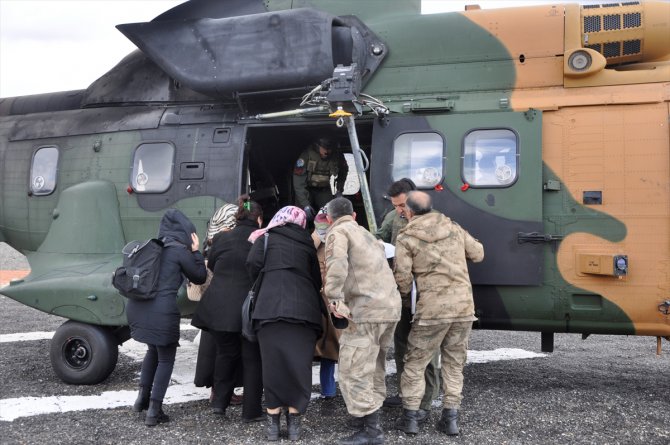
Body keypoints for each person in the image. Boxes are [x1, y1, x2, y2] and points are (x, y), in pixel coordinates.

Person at [393, 191, 484, 436]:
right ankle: (450, 419)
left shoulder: (406, 237)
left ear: (410, 211)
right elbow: (478, 253)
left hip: (432, 310)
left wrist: (404, 298)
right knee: (454, 365)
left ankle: (410, 418)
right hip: (464, 308)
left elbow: (402, 278)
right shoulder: (453, 227)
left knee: (415, 363)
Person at [323, 197, 401, 445]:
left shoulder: (338, 233)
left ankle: (371, 430)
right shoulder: (366, 234)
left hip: (366, 311)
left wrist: (334, 300)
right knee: (375, 364)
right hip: (389, 308)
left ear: (328, 218)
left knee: (353, 369)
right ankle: (366, 417)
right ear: (354, 215)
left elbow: (336, 266)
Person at [246, 206, 324, 441]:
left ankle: (272, 424)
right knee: (299, 366)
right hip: (304, 311)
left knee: (272, 366)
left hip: (269, 309)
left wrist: (266, 282)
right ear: (300, 222)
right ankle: (294, 426)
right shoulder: (306, 242)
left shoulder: (266, 237)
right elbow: (316, 279)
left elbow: (251, 265)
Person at [127, 209, 207, 427]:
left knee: (153, 350)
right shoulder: (180, 251)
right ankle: (154, 410)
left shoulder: (152, 247)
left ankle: (141, 400)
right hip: (162, 312)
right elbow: (199, 276)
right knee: (165, 359)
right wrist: (196, 251)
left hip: (138, 308)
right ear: (186, 232)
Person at [191, 197, 264, 422]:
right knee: (251, 359)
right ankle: (251, 412)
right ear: (259, 220)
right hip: (245, 310)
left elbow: (212, 264)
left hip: (216, 307)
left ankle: (219, 406)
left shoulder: (222, 238)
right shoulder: (261, 240)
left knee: (225, 354)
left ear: (238, 217)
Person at [377, 179, 441, 421]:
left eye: (402, 205)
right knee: (402, 345)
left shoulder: (433, 219)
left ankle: (426, 400)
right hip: (402, 293)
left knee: (427, 348)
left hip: (426, 294)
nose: (400, 210)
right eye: (396, 206)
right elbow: (380, 237)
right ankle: (407, 395)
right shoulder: (393, 218)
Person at [193, 203, 239, 400]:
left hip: (211, 306)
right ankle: (220, 392)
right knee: (223, 351)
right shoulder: (225, 241)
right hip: (223, 304)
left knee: (214, 348)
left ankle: (218, 391)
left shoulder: (211, 242)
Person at [311, 208, 340, 401]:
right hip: (334, 300)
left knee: (327, 346)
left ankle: (327, 389)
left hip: (323, 300)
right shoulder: (340, 239)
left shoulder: (314, 242)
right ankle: (329, 389)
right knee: (332, 347)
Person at [293, 137, 348, 220]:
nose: (326, 152)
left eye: (329, 149)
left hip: (324, 190)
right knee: (301, 215)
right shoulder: (306, 155)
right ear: (317, 146)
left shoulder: (337, 156)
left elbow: (343, 171)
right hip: (306, 189)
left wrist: (339, 190)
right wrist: (305, 204)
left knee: (329, 214)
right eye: (324, 148)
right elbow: (298, 179)